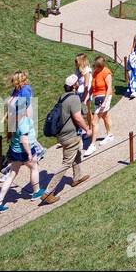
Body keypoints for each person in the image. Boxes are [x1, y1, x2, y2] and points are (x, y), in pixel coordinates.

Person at [40, 75, 91, 205]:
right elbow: (78, 117)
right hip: (70, 136)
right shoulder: (73, 98)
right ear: (74, 85)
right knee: (66, 163)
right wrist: (87, 129)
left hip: (62, 136)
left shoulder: (63, 97)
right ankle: (48, 193)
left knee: (77, 152)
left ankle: (77, 177)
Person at [85, 55, 115, 155]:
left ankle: (92, 145)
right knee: (105, 116)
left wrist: (105, 102)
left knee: (94, 121)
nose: (97, 68)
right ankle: (110, 135)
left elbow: (109, 88)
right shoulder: (95, 73)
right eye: (96, 67)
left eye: (98, 67)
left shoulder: (106, 72)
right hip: (98, 98)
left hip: (104, 98)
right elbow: (92, 87)